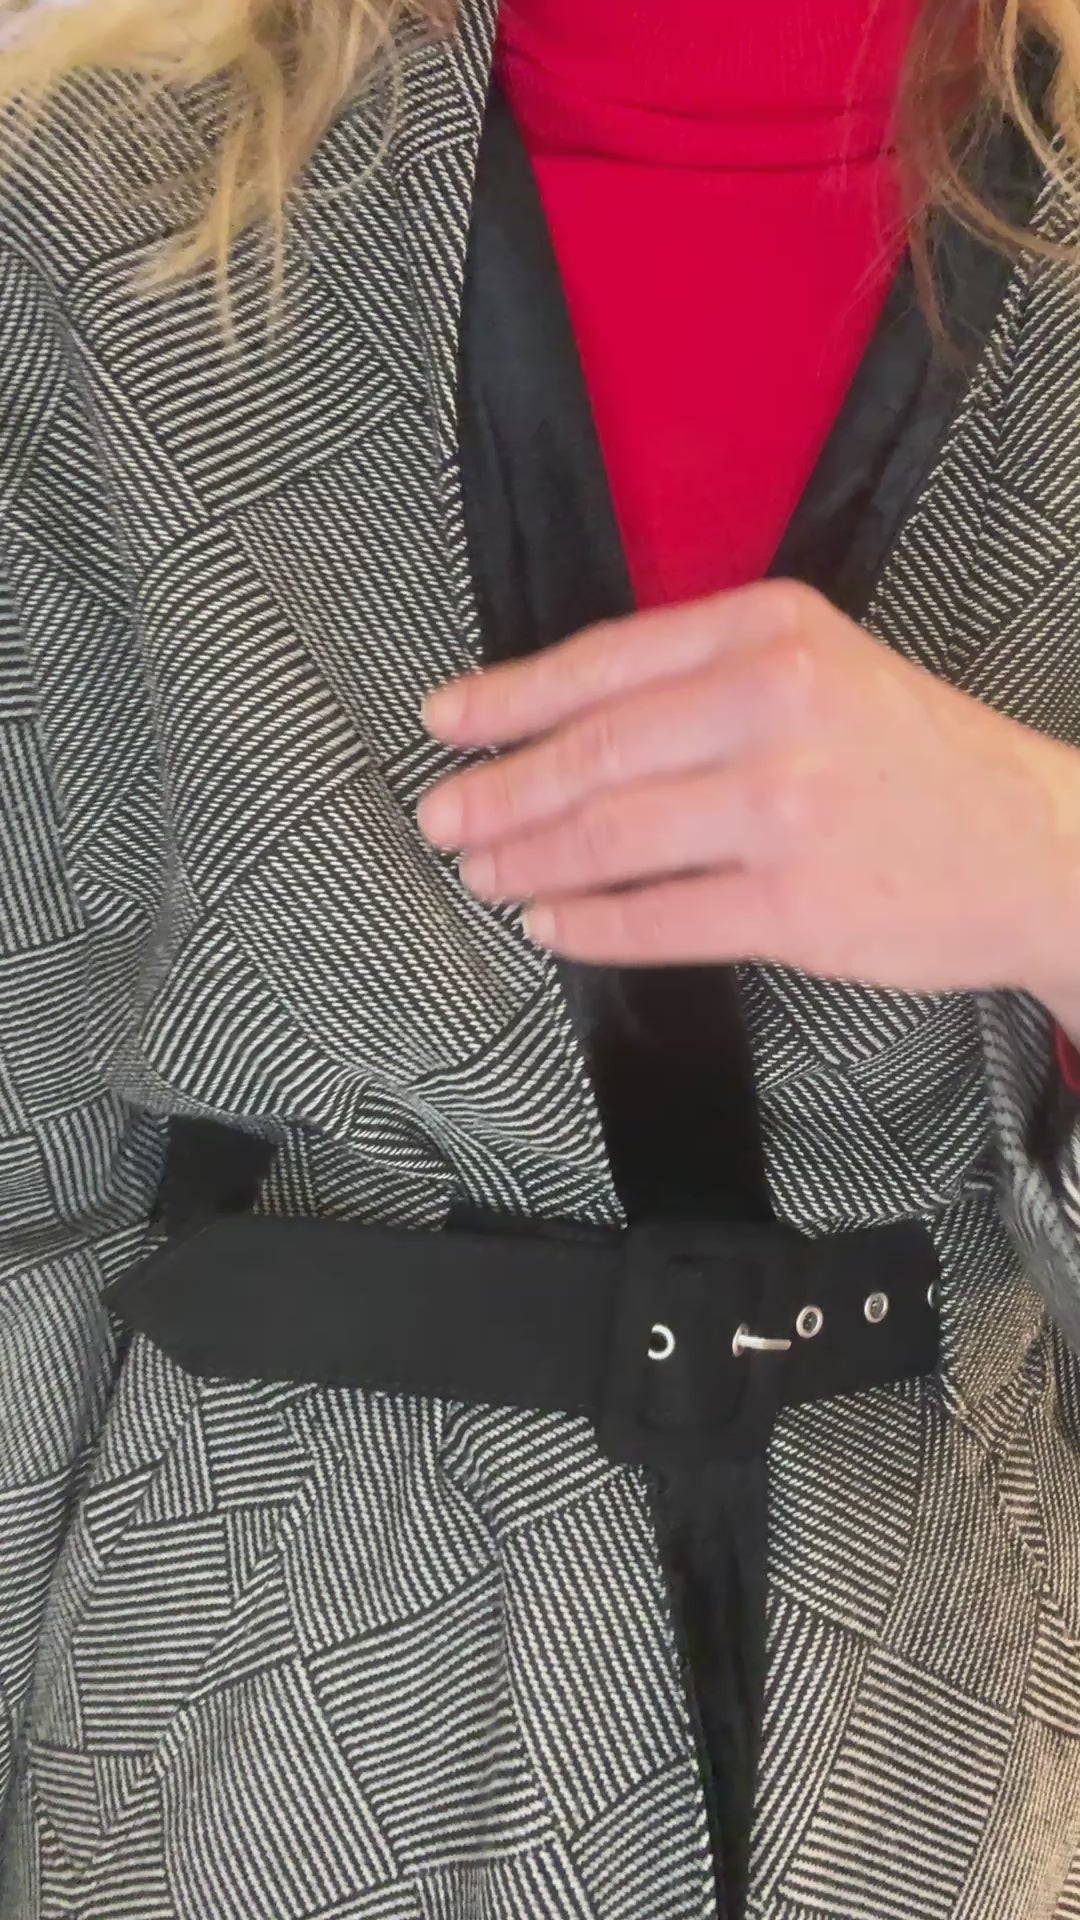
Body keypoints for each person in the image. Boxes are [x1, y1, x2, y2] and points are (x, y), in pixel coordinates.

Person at [1, 0, 1079, 1914]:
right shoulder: (105, 215)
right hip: (258, 1719)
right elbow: (24, 1144)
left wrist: (1046, 870)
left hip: (938, 1728)